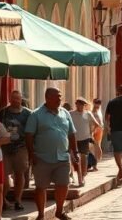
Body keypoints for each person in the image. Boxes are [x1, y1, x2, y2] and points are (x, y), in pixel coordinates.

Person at [25, 87, 77, 220]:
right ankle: (41, 214)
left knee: (63, 184)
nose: (60, 99)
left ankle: (59, 211)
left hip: (62, 157)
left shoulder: (65, 113)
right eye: (57, 96)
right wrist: (31, 153)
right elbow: (29, 135)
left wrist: (74, 151)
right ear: (47, 98)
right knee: (41, 187)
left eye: (60, 96)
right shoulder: (36, 114)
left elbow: (71, 134)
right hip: (42, 157)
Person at [0, 90, 31, 212]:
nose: (15, 101)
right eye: (13, 98)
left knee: (19, 173)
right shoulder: (3, 113)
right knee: (4, 176)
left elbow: (31, 131)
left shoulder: (28, 113)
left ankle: (18, 200)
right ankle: (2, 199)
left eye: (18, 98)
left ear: (21, 99)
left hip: (21, 148)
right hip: (5, 147)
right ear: (9, 99)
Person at [70, 98, 101, 187]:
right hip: (74, 139)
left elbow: (97, 124)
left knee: (83, 158)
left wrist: (91, 132)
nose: (80, 106)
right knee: (75, 159)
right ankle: (78, 177)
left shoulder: (88, 114)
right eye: (78, 104)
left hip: (85, 139)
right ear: (76, 105)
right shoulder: (71, 114)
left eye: (82, 105)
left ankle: (82, 176)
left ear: (84, 106)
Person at [89, 99, 104, 170]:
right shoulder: (92, 111)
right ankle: (94, 164)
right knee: (93, 148)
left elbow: (100, 123)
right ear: (93, 103)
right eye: (96, 103)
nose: (97, 105)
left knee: (95, 147)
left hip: (97, 131)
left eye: (99, 103)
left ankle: (95, 164)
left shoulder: (98, 111)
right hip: (93, 130)